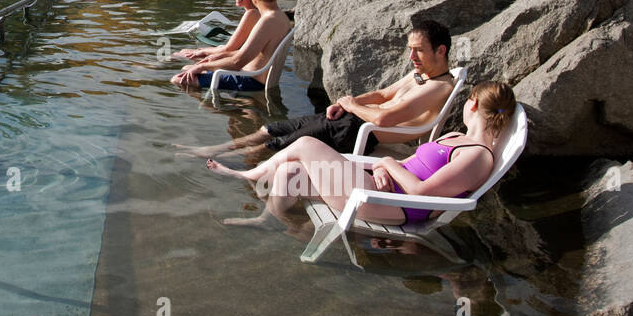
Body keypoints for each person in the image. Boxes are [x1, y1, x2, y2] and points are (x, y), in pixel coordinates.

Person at [206, 81, 514, 229]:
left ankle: (247, 174)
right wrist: (383, 168)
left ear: (471, 104)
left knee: (304, 146)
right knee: (290, 174)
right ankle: (269, 221)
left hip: (394, 205)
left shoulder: (477, 157)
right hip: (379, 187)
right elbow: (412, 165)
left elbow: (421, 191)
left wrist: (386, 163)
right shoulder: (455, 137)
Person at [179, 19, 455, 158]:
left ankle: (221, 162)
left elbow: (384, 118)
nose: (412, 57)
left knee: (281, 145)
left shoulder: (438, 87)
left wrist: (350, 105)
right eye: (410, 50)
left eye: (418, 51)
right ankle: (215, 149)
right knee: (270, 129)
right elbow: (383, 96)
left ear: (440, 51)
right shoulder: (421, 75)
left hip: (357, 132)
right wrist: (345, 102)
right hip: (350, 119)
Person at [170, 0, 291, 91]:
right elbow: (248, 54)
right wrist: (212, 60)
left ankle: (216, 107)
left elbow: (237, 62)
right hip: (253, 76)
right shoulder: (282, 18)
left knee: (177, 79)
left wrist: (203, 66)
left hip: (248, 81)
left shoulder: (267, 21)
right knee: (188, 68)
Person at [173, 0, 259, 62]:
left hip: (239, 60)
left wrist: (204, 51)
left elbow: (229, 49)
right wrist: (206, 51)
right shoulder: (256, 12)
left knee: (180, 54)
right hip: (238, 56)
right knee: (186, 52)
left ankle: (161, 69)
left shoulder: (251, 14)